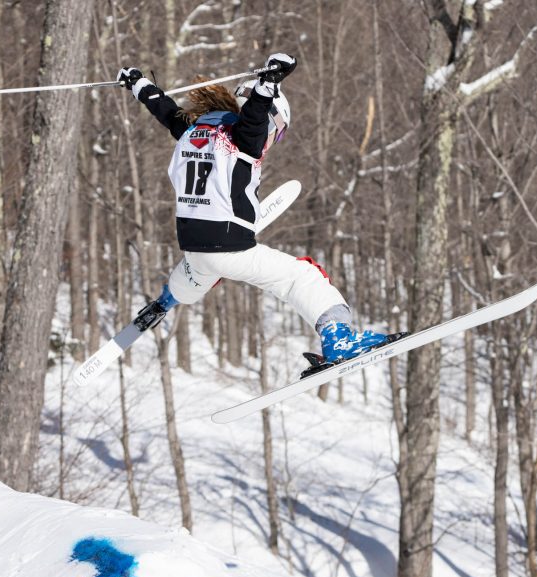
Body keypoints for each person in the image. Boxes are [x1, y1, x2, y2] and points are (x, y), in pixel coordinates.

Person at [116, 53, 399, 369]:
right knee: (302, 276)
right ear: (271, 121)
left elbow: (164, 109)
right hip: (228, 243)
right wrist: (268, 84)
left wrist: (139, 84)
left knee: (200, 273)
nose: (270, 141)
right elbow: (253, 119)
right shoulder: (245, 136)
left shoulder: (194, 129)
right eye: (278, 132)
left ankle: (166, 300)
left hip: (194, 246)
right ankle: (339, 338)